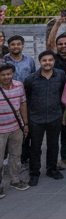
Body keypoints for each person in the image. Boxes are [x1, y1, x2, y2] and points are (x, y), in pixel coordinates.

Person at [23, 50, 66, 184]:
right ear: (40, 62)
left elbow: (63, 94)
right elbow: (27, 99)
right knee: (35, 147)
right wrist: (28, 120)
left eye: (50, 60)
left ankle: (52, 169)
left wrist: (62, 114)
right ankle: (34, 173)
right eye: (44, 60)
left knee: (53, 145)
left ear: (54, 61)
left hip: (55, 116)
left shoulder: (60, 75)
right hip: (36, 118)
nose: (47, 63)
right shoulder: (30, 79)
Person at [0, 61, 29, 194]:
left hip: (16, 128)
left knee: (16, 156)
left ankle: (15, 179)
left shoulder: (19, 86)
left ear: (13, 74)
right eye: (3, 75)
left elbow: (23, 104)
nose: (6, 77)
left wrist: (25, 124)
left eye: (9, 74)